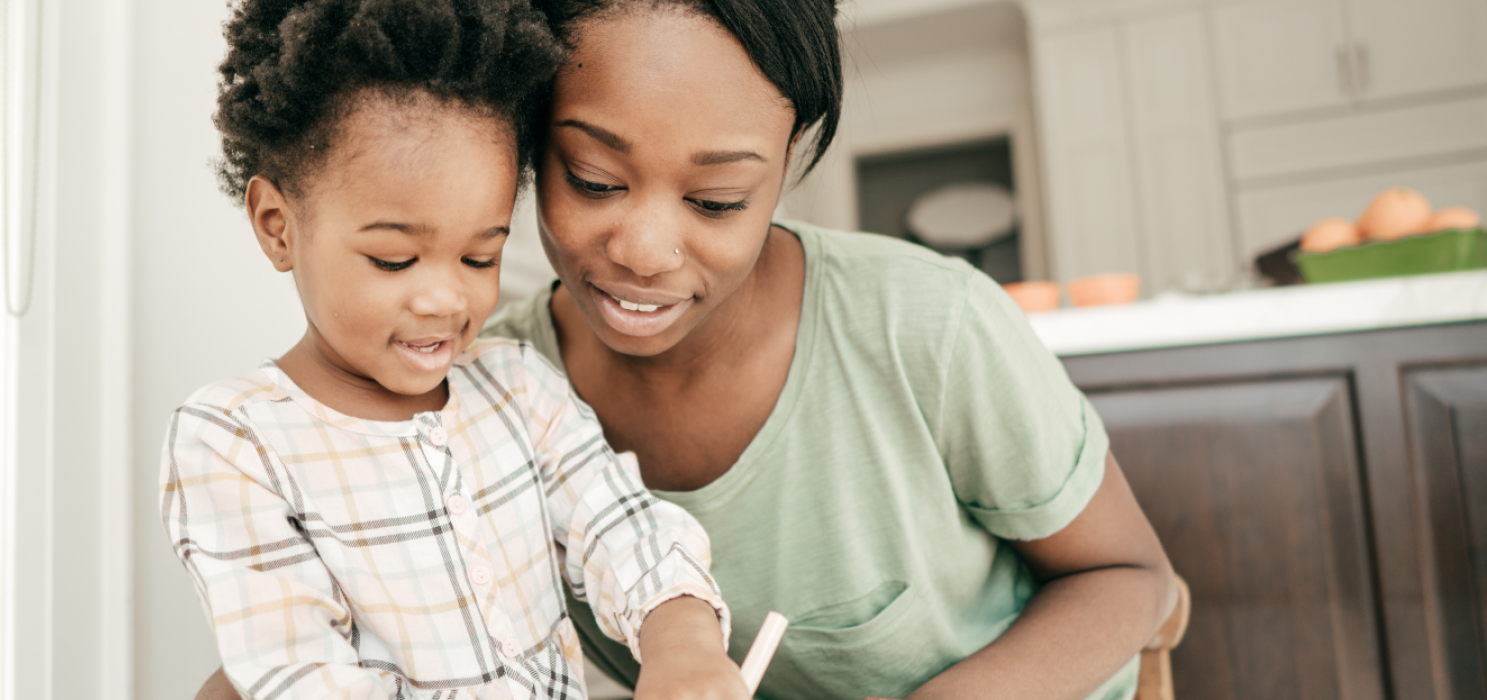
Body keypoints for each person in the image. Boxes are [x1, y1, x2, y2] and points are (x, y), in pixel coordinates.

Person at [198, 0, 1178, 698]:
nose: (645, 249)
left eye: (715, 200)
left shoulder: (931, 329)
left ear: (788, 165)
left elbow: (1131, 581)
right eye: (593, 178)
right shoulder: (476, 389)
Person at [160, 2, 749, 699]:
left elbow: (622, 526)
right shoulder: (237, 442)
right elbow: (302, 674)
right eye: (394, 259)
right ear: (277, 226)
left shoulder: (519, 388)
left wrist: (682, 642)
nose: (445, 300)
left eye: (479, 258)